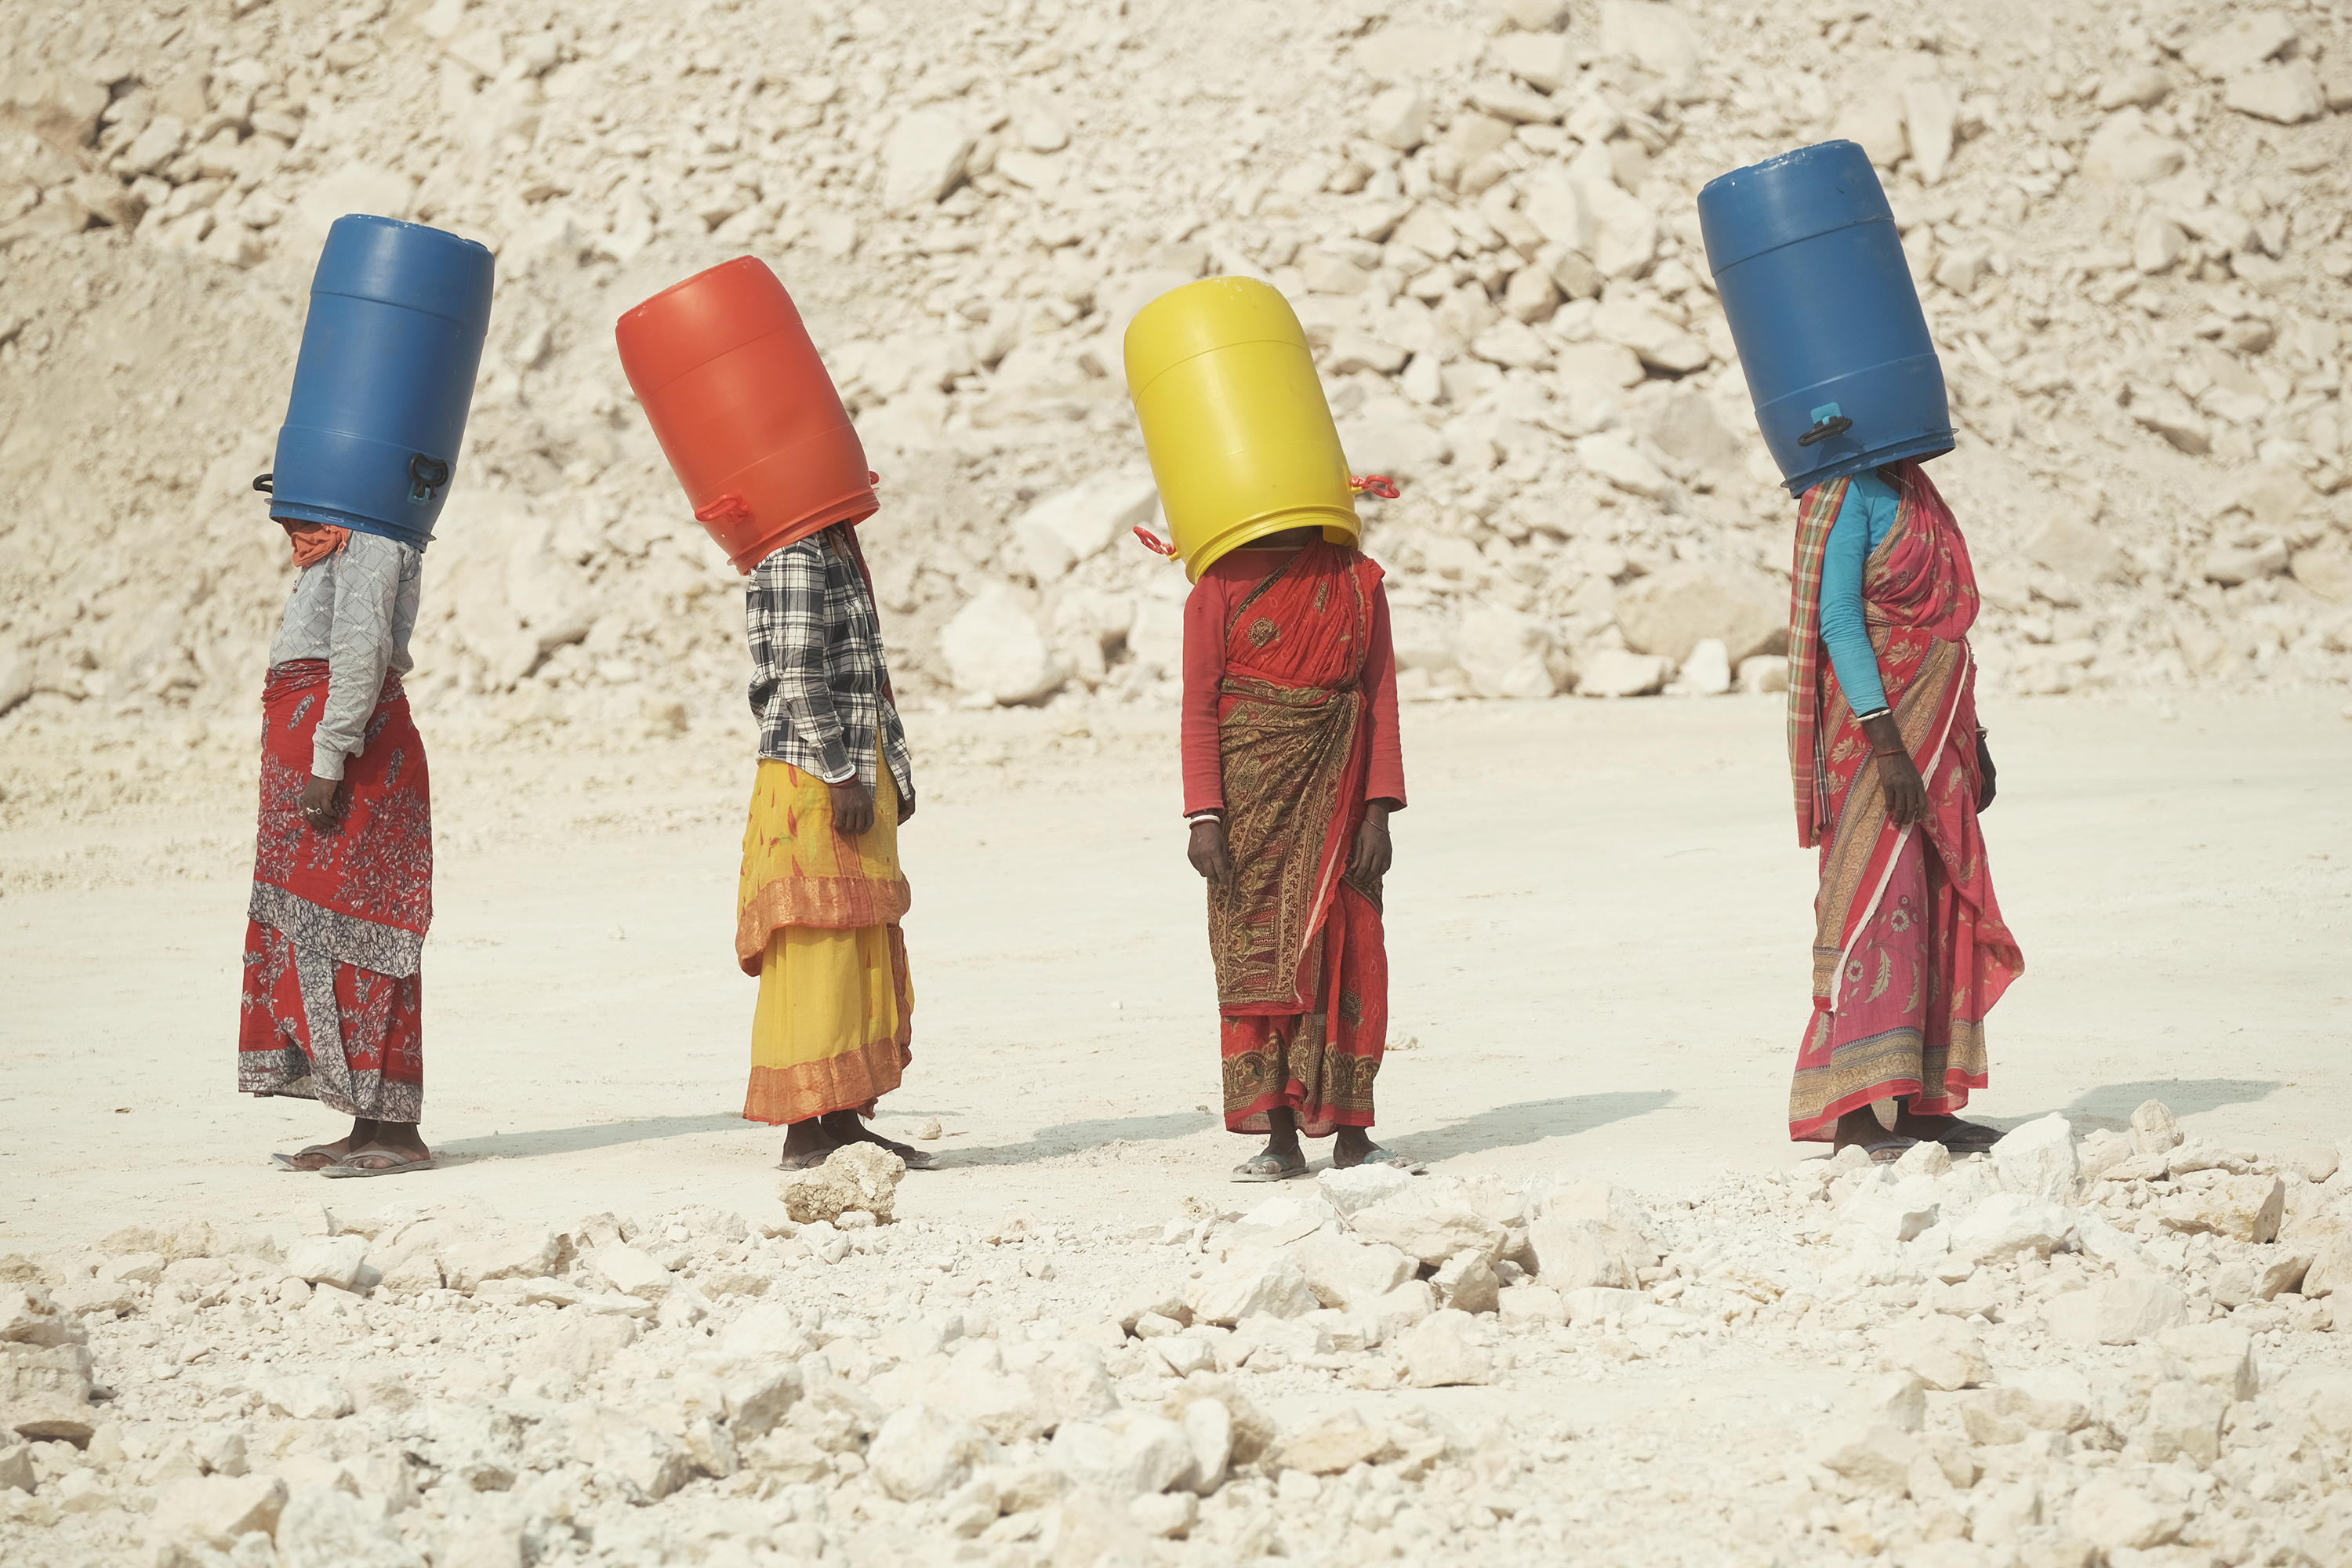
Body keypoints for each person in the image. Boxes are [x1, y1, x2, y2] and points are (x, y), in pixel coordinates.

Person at [1784, 460, 2024, 1161]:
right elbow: (1839, 620)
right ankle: (1854, 1107)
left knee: (1937, 899)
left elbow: (1947, 629)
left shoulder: (1916, 487)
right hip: (1876, 735)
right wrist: (1888, 743)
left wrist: (1973, 739)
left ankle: (1924, 1103)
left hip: (1942, 724)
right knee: (1873, 898)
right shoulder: (1839, 493)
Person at [1181, 524, 1407, 1181]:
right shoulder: (1218, 583)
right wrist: (1205, 816)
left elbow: (1380, 698)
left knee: (1353, 953)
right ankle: (1280, 1136)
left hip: (1345, 801)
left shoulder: (1359, 582)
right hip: (1249, 810)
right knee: (1259, 961)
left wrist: (1378, 812)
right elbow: (1199, 704)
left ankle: (1354, 1133)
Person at [738, 520, 934, 1171]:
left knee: (857, 946)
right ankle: (804, 1128)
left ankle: (843, 1121)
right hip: (820, 775)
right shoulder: (792, 550)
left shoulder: (834, 547)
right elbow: (797, 674)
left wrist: (890, 776)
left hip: (853, 770)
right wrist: (842, 771)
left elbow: (866, 677)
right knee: (819, 946)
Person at [241, 521, 435, 1177]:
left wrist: (327, 757)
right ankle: (366, 1124)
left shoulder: (371, 537)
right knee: (323, 935)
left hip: (355, 764)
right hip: (326, 756)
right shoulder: (333, 543)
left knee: (367, 937)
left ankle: (399, 1132)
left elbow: (360, 651)